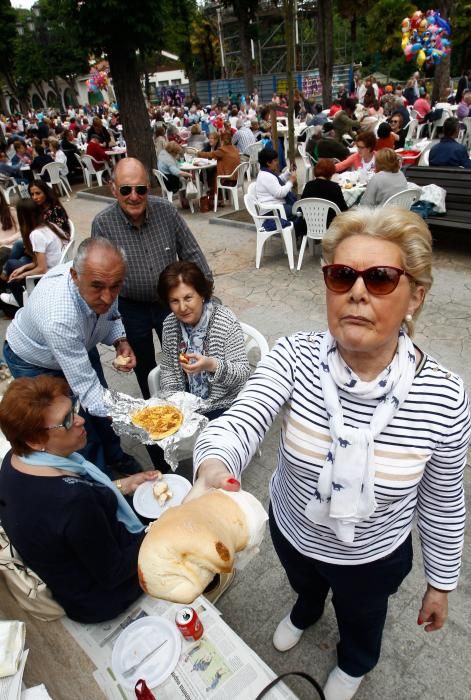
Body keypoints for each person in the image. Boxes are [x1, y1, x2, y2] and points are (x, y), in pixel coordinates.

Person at [189, 207, 470, 700]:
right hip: (295, 529)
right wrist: (214, 465)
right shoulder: (294, 356)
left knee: (363, 616)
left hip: (373, 555)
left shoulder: (444, 397)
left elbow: (443, 500)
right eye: (342, 276)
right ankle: (306, 606)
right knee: (305, 582)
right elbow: (244, 417)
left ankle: (356, 659)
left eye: (380, 278)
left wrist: (441, 582)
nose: (357, 292)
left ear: (415, 296)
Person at [0, 375, 161, 623]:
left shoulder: (15, 459)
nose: (81, 420)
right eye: (66, 420)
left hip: (74, 566)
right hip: (101, 597)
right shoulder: (72, 502)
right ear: (34, 440)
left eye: (73, 408)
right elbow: (113, 571)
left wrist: (122, 485)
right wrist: (160, 529)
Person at [3, 237, 143, 477]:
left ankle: (116, 457)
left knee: (101, 407)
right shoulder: (58, 316)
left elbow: (111, 315)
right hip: (34, 362)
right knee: (72, 423)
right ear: (75, 276)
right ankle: (98, 477)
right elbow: (87, 390)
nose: (108, 298)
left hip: (79, 344)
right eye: (97, 287)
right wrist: (141, 416)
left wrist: (120, 341)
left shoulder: (106, 278)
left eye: (116, 286)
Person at [90, 157, 212, 399]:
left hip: (170, 302)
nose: (134, 196)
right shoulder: (103, 224)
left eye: (141, 189)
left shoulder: (166, 211)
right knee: (144, 364)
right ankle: (155, 413)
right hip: (131, 306)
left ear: (149, 187)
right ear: (113, 188)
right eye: (126, 189)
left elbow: (191, 252)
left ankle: (189, 405)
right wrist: (114, 330)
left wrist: (205, 297)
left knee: (183, 356)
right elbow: (101, 278)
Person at [158, 261, 250, 420]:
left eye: (188, 298)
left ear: (202, 295)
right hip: (185, 403)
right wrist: (174, 401)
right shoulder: (170, 325)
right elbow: (168, 370)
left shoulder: (225, 322)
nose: (182, 307)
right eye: (174, 301)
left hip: (224, 403)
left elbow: (242, 374)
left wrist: (211, 365)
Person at [0, 198, 70, 308]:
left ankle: (25, 308)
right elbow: (40, 261)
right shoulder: (50, 225)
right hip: (60, 268)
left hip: (50, 275)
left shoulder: (36, 234)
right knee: (14, 266)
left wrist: (23, 274)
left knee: (13, 278)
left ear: (22, 216)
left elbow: (42, 269)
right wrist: (24, 268)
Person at [255, 147, 304, 237]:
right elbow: (280, 192)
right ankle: (295, 236)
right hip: (271, 211)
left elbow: (277, 181)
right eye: (275, 161)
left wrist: (288, 172)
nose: (277, 163)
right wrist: (291, 181)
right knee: (300, 211)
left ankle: (295, 235)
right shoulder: (266, 176)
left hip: (275, 207)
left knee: (299, 209)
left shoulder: (266, 173)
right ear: (268, 163)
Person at [301, 159, 347, 224]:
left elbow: (301, 207)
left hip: (310, 225)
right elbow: (343, 210)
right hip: (331, 226)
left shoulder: (308, 185)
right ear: (331, 172)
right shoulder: (334, 187)